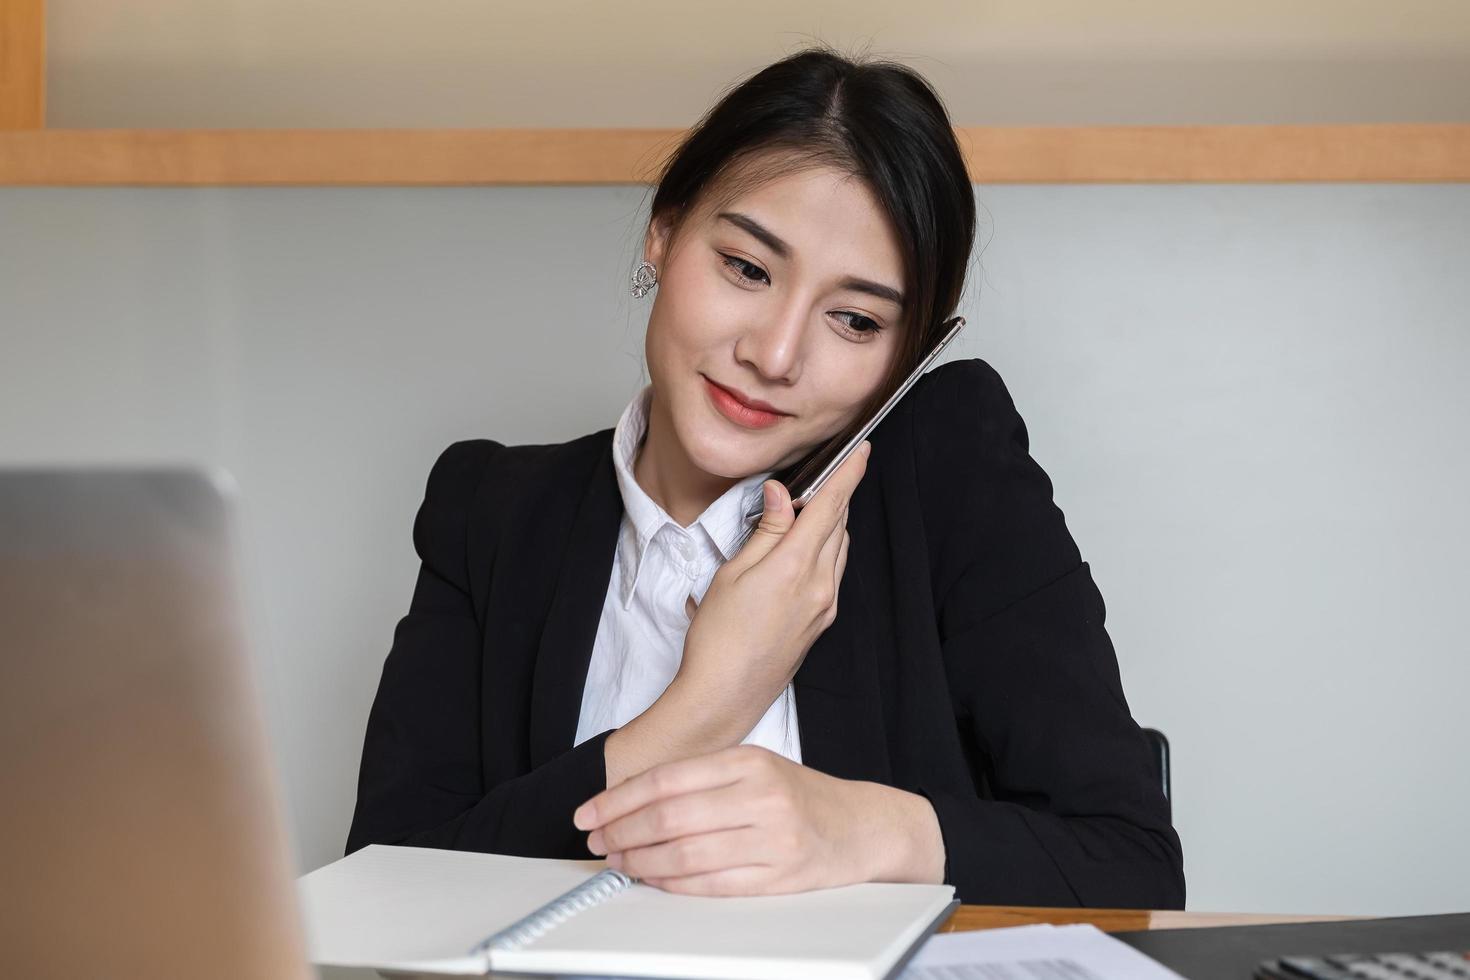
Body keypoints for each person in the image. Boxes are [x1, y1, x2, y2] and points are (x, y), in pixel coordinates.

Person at [345, 43, 1185, 908]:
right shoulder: (491, 509)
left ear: (908, 355)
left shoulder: (946, 474)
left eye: (855, 320)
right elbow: (389, 886)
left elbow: (1129, 860)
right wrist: (705, 706)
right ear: (664, 235)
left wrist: (853, 827)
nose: (774, 355)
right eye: (747, 269)